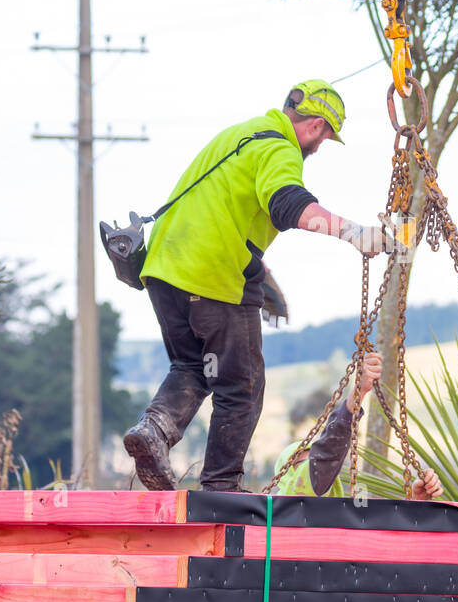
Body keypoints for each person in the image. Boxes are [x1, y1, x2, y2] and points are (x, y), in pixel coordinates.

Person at [123, 80, 392, 492]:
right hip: (212, 276)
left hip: (163, 269)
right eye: (324, 138)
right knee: (242, 383)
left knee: (193, 364)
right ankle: (221, 486)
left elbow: (218, 210)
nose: (318, 149)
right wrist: (357, 234)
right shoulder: (281, 149)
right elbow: (289, 204)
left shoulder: (239, 134)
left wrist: (260, 273)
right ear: (317, 126)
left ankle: (154, 429)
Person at [274, 351, 443, 500]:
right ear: (286, 477)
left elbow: (384, 534)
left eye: (313, 459)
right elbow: (328, 452)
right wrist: (357, 393)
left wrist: (418, 502)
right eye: (302, 464)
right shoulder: (285, 508)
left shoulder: (343, 518)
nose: (314, 465)